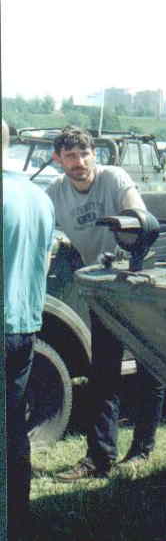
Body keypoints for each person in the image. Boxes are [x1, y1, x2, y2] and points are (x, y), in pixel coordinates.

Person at [46, 126, 166, 480]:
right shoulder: (55, 193)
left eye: (84, 154)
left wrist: (127, 230)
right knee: (103, 373)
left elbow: (142, 222)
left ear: (94, 154)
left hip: (137, 282)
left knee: (149, 369)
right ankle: (99, 459)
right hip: (101, 289)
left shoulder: (114, 178)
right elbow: (40, 230)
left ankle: (142, 450)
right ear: (58, 159)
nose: (79, 162)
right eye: (70, 156)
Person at [3, 119, 55, 541]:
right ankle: (18, 519)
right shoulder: (39, 196)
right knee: (13, 426)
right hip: (25, 324)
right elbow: (46, 258)